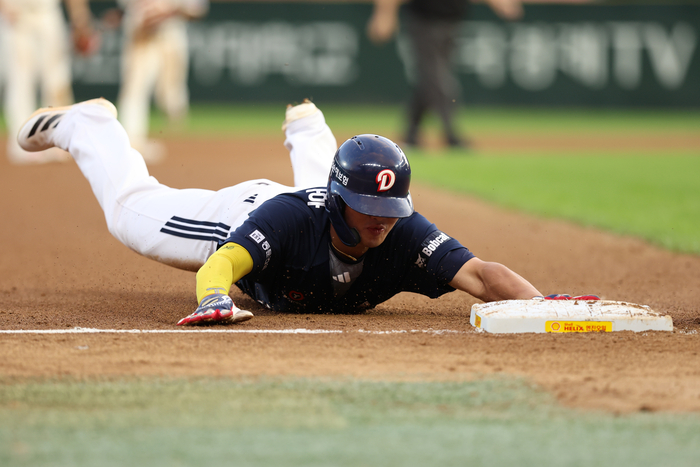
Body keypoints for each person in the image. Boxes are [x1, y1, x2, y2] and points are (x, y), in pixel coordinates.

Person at [19, 98, 594, 326]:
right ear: (343, 200)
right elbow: (221, 264)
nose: (381, 219)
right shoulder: (291, 219)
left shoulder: (398, 229)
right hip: (248, 213)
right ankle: (90, 127)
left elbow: (482, 275)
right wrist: (215, 297)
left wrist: (543, 306)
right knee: (129, 215)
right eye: (368, 206)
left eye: (390, 207)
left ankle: (308, 127)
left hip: (314, 212)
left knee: (331, 213)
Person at [367, 0, 523, 149]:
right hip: (424, 20)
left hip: (452, 20)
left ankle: (411, 134)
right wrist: (385, 13)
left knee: (429, 79)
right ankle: (450, 133)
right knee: (436, 77)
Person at [0, 0, 99, 164]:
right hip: (15, 14)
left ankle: (58, 139)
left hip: (48, 12)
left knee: (57, 79)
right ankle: (23, 142)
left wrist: (81, 21)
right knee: (20, 79)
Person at [115, 0, 209, 164]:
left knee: (172, 97)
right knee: (135, 89)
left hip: (171, 32)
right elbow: (127, 9)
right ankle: (132, 142)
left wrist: (171, 12)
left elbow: (197, 10)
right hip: (141, 32)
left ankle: (179, 140)